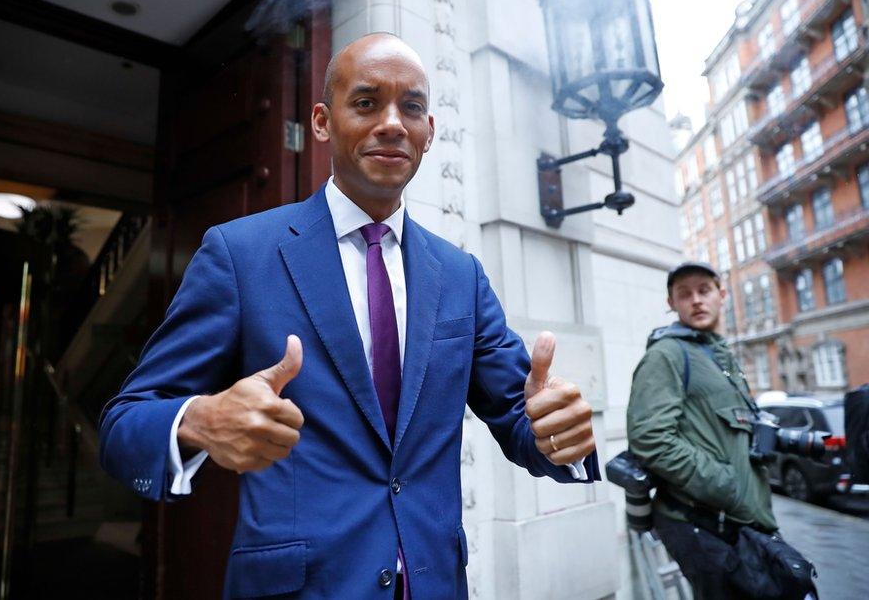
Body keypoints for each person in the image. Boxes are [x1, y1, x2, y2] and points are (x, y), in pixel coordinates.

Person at [99, 32, 600, 599]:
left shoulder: (461, 275)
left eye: (411, 107)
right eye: (366, 102)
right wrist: (198, 421)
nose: (392, 123)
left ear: (429, 133)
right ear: (321, 121)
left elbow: (522, 416)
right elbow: (123, 427)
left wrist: (562, 433)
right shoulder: (240, 254)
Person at [627, 261, 814, 600]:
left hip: (740, 519)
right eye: (684, 294)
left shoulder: (717, 354)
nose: (696, 300)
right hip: (703, 522)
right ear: (671, 303)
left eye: (704, 290)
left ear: (721, 294)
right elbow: (649, 439)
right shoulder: (667, 355)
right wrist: (729, 485)